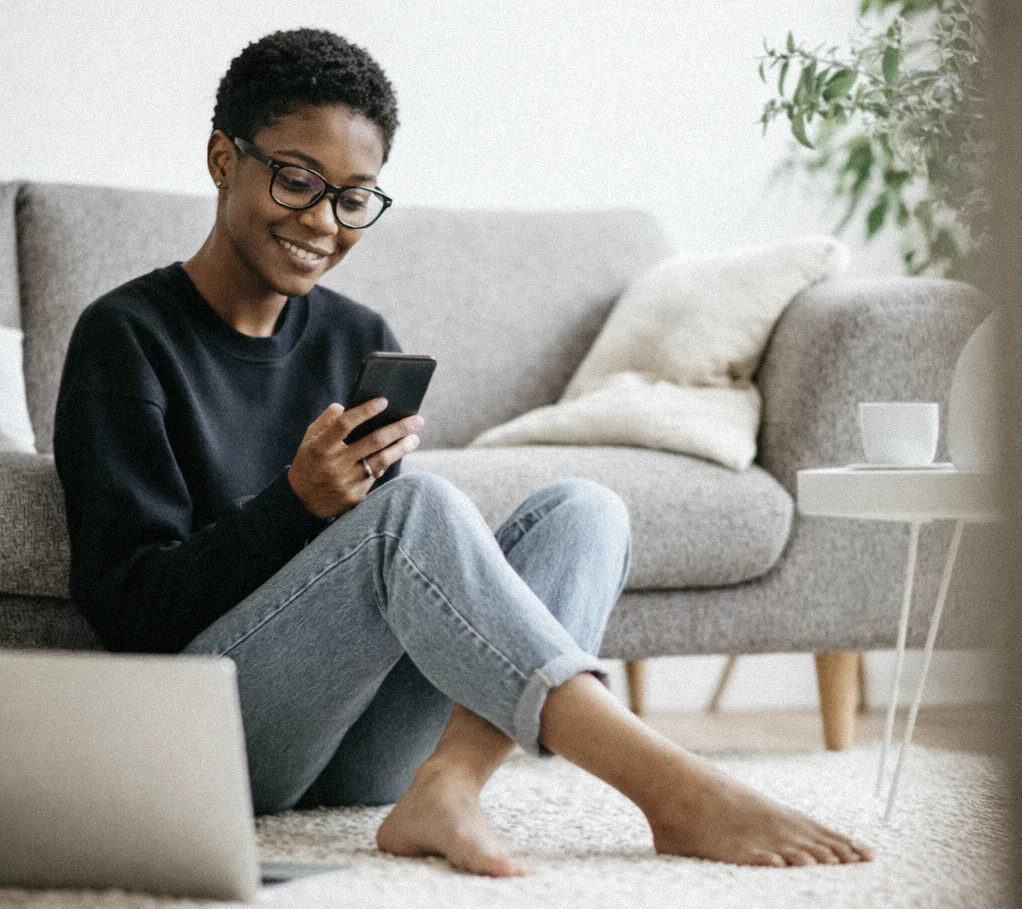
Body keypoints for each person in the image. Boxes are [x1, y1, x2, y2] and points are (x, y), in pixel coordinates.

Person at [53, 28, 873, 876]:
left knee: (587, 513)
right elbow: (130, 609)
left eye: (354, 197)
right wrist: (296, 503)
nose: (322, 222)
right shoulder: (125, 337)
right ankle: (673, 786)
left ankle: (448, 783)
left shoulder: (357, 338)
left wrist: (332, 514)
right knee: (414, 509)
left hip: (365, 751)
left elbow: (386, 610)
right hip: (217, 739)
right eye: (297, 180)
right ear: (225, 158)